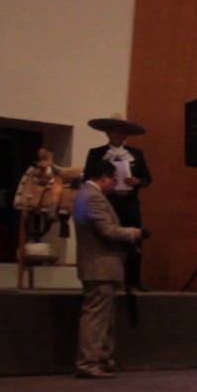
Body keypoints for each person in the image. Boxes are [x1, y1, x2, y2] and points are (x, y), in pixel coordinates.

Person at [72, 160, 142, 378]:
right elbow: (107, 230)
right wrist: (133, 233)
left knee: (104, 317)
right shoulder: (92, 197)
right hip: (99, 265)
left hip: (99, 265)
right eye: (112, 179)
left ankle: (101, 359)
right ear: (103, 177)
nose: (113, 184)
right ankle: (89, 363)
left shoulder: (85, 195)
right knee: (96, 318)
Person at [83, 115, 151, 291]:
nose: (118, 135)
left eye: (121, 132)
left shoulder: (136, 154)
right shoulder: (96, 153)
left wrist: (137, 182)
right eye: (114, 131)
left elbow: (147, 179)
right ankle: (110, 277)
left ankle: (134, 278)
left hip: (129, 201)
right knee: (108, 236)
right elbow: (87, 177)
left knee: (135, 238)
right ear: (108, 133)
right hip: (108, 201)